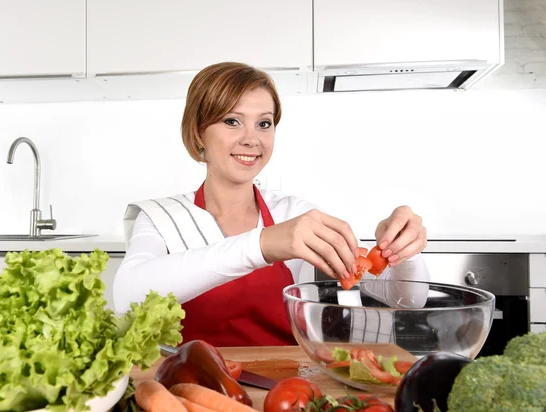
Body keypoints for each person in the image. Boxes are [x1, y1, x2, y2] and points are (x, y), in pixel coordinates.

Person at [114, 62, 429, 347]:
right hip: (191, 392)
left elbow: (407, 299)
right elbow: (126, 297)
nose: (252, 139)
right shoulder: (162, 219)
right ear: (198, 132)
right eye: (232, 121)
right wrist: (262, 244)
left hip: (285, 389)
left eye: (263, 124)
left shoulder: (293, 214)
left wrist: (400, 252)